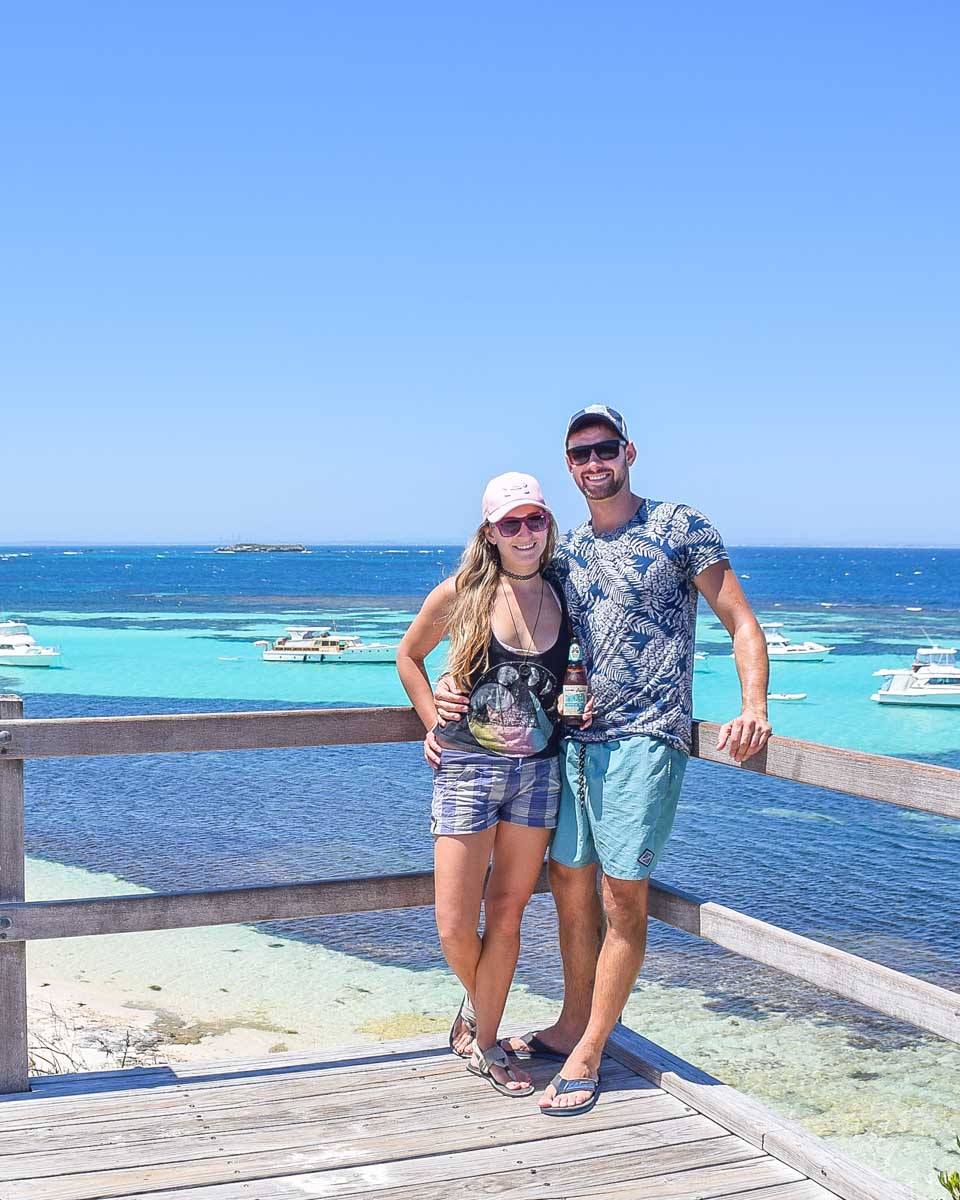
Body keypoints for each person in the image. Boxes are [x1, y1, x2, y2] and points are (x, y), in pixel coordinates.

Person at [435, 405, 772, 1116]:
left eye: (605, 448)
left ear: (629, 452)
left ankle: (589, 1049)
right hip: (572, 747)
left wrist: (753, 705)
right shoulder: (567, 552)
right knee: (568, 885)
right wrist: (443, 691)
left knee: (622, 898)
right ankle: (570, 1020)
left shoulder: (680, 526)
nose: (595, 462)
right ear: (569, 466)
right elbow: (506, 613)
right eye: (581, 453)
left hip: (646, 739)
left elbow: (740, 620)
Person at [397, 471, 582, 1098]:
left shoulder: (565, 592)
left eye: (535, 519)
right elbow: (408, 656)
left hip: (539, 774)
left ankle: (487, 1042)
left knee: (506, 914)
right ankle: (484, 1013)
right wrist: (431, 717)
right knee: (454, 925)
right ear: (490, 532)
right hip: (468, 769)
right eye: (510, 523)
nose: (525, 533)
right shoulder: (464, 592)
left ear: (548, 523)